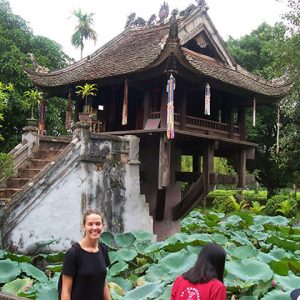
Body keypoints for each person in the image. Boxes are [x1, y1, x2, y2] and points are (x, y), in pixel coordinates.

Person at [60, 209, 111, 300]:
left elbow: (103, 283)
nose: (94, 228)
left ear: (103, 226)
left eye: (98, 224)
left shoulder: (103, 250)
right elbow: (66, 290)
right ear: (84, 227)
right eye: (90, 224)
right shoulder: (73, 253)